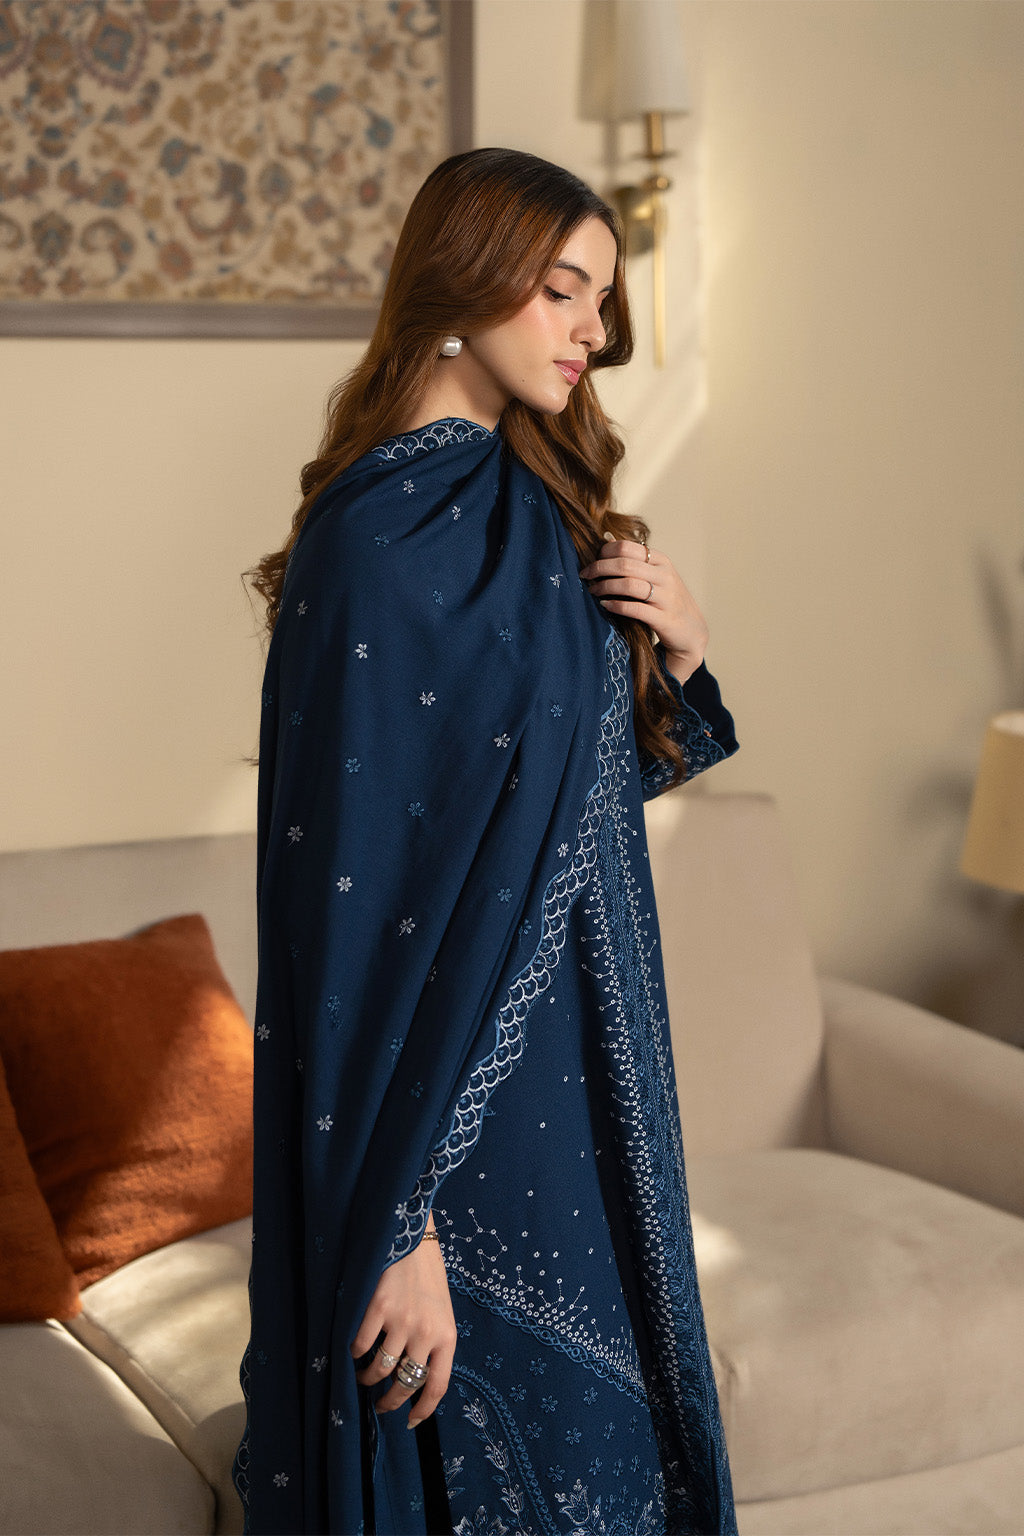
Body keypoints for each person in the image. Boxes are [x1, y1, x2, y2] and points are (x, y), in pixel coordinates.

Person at [234, 147, 739, 1536]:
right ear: (463, 281)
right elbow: (343, 910)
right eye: (564, 290)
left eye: (603, 301)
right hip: (443, 1118)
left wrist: (681, 660)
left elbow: (547, 816)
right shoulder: (374, 545)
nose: (594, 332)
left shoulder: (531, 506)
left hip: (581, 1075)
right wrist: (395, 1222)